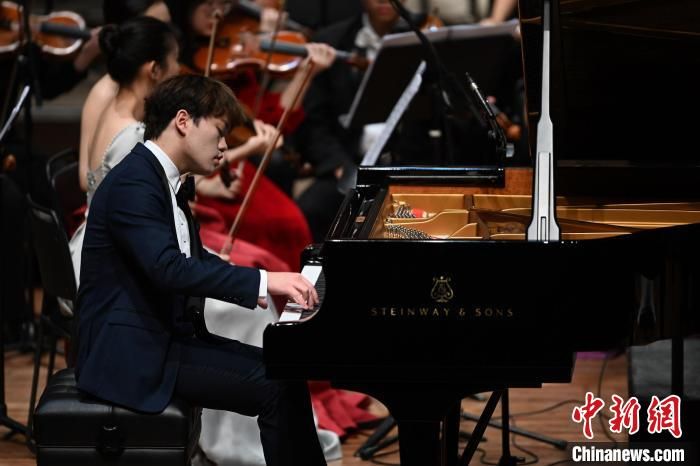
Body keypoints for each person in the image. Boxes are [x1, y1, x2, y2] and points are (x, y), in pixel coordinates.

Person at [74, 73, 325, 465]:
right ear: (183, 121)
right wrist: (263, 280)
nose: (225, 146)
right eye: (220, 132)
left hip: (161, 340)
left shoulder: (157, 177)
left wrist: (258, 283)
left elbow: (189, 257)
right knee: (277, 385)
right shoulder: (135, 182)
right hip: (132, 355)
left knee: (284, 373)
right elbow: (169, 268)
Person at [170, 0, 337, 270]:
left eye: (223, 4)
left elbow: (264, 121)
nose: (217, 11)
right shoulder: (175, 64)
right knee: (276, 225)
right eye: (207, 3)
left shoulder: (234, 49)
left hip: (231, 165)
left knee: (290, 220)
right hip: (198, 171)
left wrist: (306, 74)